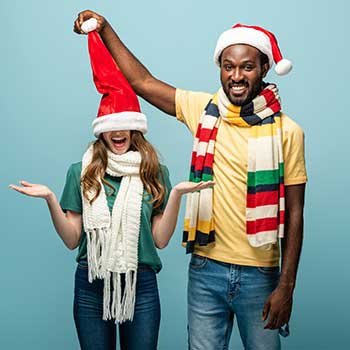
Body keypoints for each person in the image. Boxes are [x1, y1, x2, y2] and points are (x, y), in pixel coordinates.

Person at [73, 12, 307, 350]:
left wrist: (287, 286)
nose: (236, 76)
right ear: (220, 69)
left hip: (261, 275)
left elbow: (296, 214)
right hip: (205, 269)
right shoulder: (203, 110)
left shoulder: (289, 132)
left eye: (247, 67)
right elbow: (142, 82)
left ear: (265, 69)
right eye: (228, 67)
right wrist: (106, 29)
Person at [9, 27, 213, 350]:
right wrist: (50, 199)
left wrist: (176, 196)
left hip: (140, 285)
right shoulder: (81, 171)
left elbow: (160, 240)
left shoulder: (155, 172)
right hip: (91, 284)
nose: (118, 132)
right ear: (102, 131)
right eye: (111, 126)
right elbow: (72, 239)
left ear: (135, 128)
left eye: (125, 125)